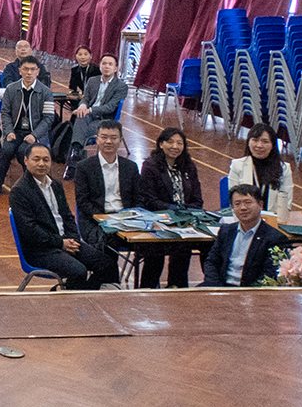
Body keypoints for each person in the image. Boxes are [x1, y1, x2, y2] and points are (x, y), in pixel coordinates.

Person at [8, 142, 116, 290]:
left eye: (46, 160)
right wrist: (60, 243)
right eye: (36, 159)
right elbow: (30, 230)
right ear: (26, 161)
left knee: (106, 264)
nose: (41, 164)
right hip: (40, 250)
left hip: (65, 241)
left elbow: (67, 216)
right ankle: (73, 298)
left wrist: (73, 239)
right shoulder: (19, 191)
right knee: (78, 271)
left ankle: (85, 295)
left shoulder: (56, 185)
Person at [138, 127, 205, 288]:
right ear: (161, 144)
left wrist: (186, 213)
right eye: (170, 142)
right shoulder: (150, 166)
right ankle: (148, 288)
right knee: (156, 248)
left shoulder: (189, 166)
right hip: (159, 220)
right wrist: (174, 211)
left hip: (185, 221)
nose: (175, 146)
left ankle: (178, 287)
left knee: (193, 244)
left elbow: (197, 200)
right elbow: (150, 200)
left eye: (179, 143)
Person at [71, 120, 136, 281]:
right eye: (104, 137)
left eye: (113, 138)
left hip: (126, 219)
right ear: (97, 139)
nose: (108, 141)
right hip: (95, 221)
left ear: (120, 140)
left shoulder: (131, 167)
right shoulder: (84, 167)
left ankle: (150, 285)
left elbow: (138, 198)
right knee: (108, 241)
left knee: (152, 244)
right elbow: (83, 201)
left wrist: (130, 216)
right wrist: (104, 218)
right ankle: (110, 283)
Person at [0, 57, 52, 196]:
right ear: (20, 71)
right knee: (6, 151)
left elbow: (48, 118)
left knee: (24, 152)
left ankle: (31, 186)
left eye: (32, 69)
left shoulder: (46, 92)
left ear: (38, 71)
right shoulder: (11, 89)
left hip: (34, 133)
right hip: (15, 132)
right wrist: (8, 131)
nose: (29, 73)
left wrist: (34, 135)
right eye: (26, 69)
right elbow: (5, 113)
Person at [201, 183, 284, 287]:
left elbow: (270, 274)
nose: (243, 208)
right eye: (237, 204)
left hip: (251, 291)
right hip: (221, 287)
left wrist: (246, 292)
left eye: (248, 202)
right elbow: (211, 262)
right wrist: (216, 287)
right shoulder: (226, 231)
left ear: (261, 205)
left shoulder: (275, 238)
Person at [69, 53, 127, 162]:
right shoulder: (92, 81)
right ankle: (76, 153)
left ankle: (75, 154)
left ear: (115, 68)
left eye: (110, 64)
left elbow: (110, 107)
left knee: (78, 130)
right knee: (80, 117)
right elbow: (86, 98)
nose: (106, 66)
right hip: (88, 115)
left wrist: (89, 110)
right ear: (100, 66)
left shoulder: (121, 86)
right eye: (104, 63)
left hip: (105, 119)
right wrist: (82, 105)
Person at [228, 123, 293, 215]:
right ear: (248, 142)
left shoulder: (284, 169)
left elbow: (285, 205)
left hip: (273, 219)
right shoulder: (237, 165)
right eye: (255, 140)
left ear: (273, 145)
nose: (259, 145)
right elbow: (235, 202)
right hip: (244, 218)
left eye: (265, 141)